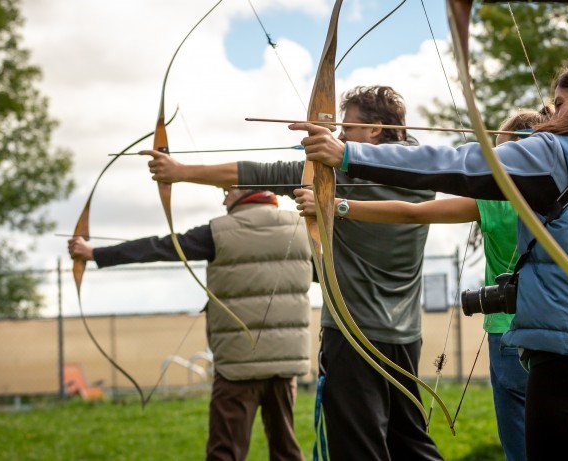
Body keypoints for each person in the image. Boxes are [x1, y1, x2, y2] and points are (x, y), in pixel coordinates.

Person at [294, 54, 568, 461]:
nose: (551, 114)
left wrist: (348, 154)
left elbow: (456, 163)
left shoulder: (555, 153)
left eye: (560, 103)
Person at [143, 86, 443, 460]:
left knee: (358, 448)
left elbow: (259, 172)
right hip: (406, 336)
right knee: (411, 442)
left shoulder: (339, 179)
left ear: (376, 130)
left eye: (346, 128)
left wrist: (179, 171)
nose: (338, 137)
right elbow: (261, 172)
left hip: (354, 337)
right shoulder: (426, 172)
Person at [294, 107, 552, 461]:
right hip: (559, 334)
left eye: (502, 153)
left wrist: (335, 205)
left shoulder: (498, 201)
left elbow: (411, 214)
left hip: (509, 334)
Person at [68, 187, 311, 461]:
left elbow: (159, 247)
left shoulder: (219, 231)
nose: (223, 199)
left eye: (228, 191)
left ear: (246, 189)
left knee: (225, 453)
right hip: (285, 364)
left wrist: (94, 253)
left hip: (237, 365)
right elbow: (322, 273)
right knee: (286, 451)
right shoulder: (301, 229)